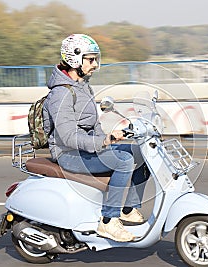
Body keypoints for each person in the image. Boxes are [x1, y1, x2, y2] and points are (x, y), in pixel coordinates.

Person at [42, 34, 149, 242]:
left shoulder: (83, 86)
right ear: (75, 59)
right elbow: (68, 137)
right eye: (90, 59)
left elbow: (94, 124)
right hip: (69, 154)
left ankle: (128, 208)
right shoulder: (60, 94)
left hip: (86, 149)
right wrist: (104, 141)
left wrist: (108, 138)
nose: (95, 64)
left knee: (141, 153)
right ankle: (108, 221)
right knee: (124, 161)